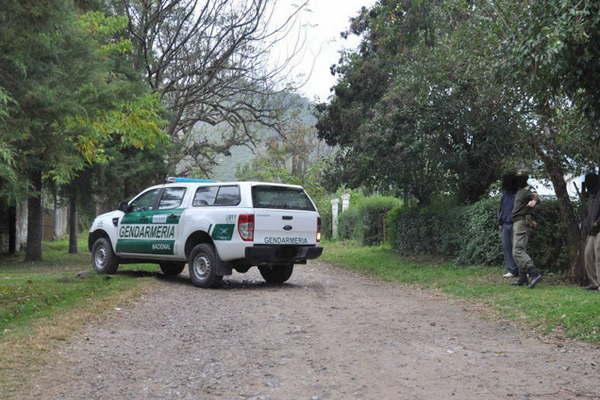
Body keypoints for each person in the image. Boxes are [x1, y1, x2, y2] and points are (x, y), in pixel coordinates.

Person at [511, 171, 543, 288]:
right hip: (517, 222)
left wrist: (534, 201)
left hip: (521, 222)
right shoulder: (519, 192)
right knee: (519, 250)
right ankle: (523, 278)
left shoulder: (525, 191)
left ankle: (534, 273)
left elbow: (536, 197)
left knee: (517, 251)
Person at [498, 173, 519, 278]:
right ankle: (512, 270)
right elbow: (501, 209)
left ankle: (523, 270)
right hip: (505, 224)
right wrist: (500, 222)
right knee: (507, 248)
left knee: (518, 249)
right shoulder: (505, 194)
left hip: (516, 224)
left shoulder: (519, 193)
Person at [582, 172, 600, 291]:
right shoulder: (591, 196)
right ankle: (594, 283)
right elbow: (584, 196)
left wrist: (597, 222)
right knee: (588, 255)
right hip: (591, 231)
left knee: (599, 256)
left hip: (599, 229)